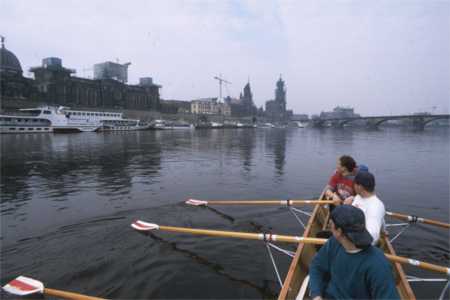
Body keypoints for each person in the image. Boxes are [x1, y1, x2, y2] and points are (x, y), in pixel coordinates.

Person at [309, 205, 400, 300]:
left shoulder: (378, 266)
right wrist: (316, 295)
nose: (329, 226)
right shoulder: (334, 242)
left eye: (331, 224)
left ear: (339, 231)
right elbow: (316, 266)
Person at [343, 171, 385, 245]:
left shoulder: (375, 208)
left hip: (356, 245)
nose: (353, 185)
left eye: (354, 183)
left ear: (360, 187)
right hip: (349, 233)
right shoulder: (359, 196)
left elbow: (372, 238)